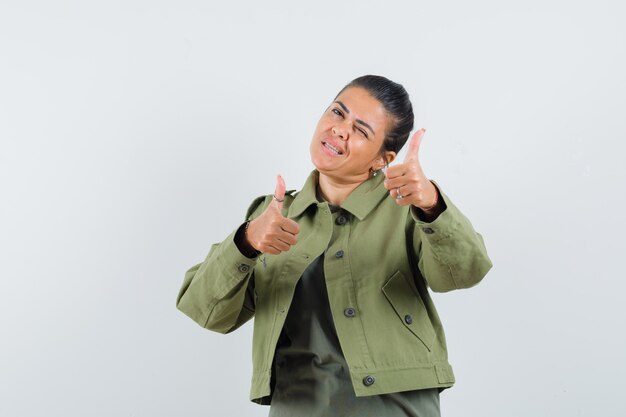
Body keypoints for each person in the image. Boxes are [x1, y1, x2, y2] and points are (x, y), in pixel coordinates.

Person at [176, 75, 493, 417]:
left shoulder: (409, 208)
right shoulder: (272, 215)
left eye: (361, 130)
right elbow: (204, 310)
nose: (341, 129)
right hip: (296, 405)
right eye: (337, 113)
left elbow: (464, 273)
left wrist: (431, 204)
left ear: (382, 160)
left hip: (393, 406)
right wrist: (247, 241)